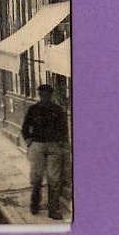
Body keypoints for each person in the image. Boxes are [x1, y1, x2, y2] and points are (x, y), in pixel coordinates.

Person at [22, 83, 68, 219]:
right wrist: (28, 139)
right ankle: (34, 203)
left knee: (54, 179)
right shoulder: (33, 109)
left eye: (47, 95)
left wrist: (60, 142)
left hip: (54, 147)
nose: (44, 97)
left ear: (51, 95)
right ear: (39, 95)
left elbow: (64, 129)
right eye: (42, 95)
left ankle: (53, 210)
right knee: (36, 177)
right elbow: (25, 127)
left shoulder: (58, 110)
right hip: (37, 146)